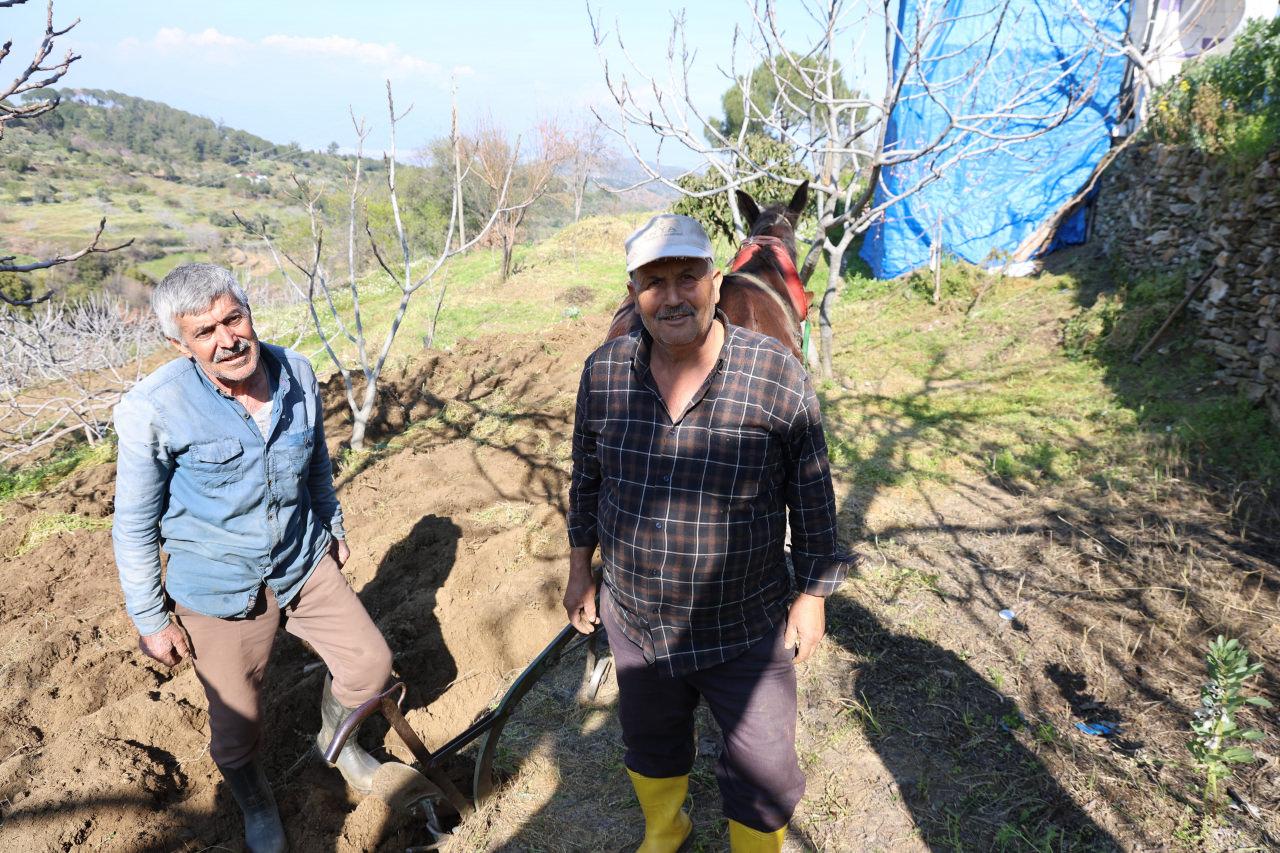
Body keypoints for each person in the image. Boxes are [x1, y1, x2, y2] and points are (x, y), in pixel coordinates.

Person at [564, 215, 851, 852]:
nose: (672, 296)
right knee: (650, 742)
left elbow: (811, 491)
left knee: (765, 767)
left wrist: (812, 595)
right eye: (653, 281)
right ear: (633, 291)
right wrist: (581, 567)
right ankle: (667, 830)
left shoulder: (773, 372)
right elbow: (586, 474)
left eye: (687, 277)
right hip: (636, 612)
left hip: (744, 619)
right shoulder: (605, 372)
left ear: (715, 283)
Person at [112, 264, 393, 853]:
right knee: (236, 730)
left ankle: (335, 742)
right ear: (180, 344)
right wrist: (150, 618)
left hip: (301, 558)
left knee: (370, 665)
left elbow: (316, 462)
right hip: (217, 586)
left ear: (247, 310)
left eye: (233, 318)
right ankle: (256, 803)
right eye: (205, 331)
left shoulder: (295, 371)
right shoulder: (154, 408)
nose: (227, 339)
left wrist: (332, 525)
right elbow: (135, 523)